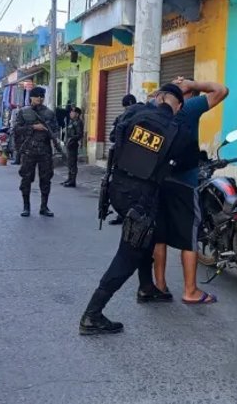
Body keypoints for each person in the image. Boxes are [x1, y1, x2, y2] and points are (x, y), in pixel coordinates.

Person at [79, 83, 199, 335]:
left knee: (148, 237)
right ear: (178, 107)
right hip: (142, 198)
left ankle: (147, 287)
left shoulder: (134, 112)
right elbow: (187, 162)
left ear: (159, 98)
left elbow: (115, 137)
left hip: (117, 189)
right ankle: (92, 314)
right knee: (129, 254)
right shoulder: (179, 130)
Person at [153, 77, 229, 304]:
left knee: (159, 236)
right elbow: (221, 90)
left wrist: (171, 87)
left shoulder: (154, 107)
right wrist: (191, 84)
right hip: (185, 182)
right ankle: (190, 290)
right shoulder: (190, 107)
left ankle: (160, 285)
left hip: (157, 181)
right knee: (189, 236)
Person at [15, 86, 61, 217]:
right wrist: (33, 127)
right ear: (31, 97)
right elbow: (16, 130)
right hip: (28, 150)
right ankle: (26, 207)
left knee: (46, 179)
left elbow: (56, 130)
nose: (39, 99)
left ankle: (44, 207)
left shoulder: (49, 113)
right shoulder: (23, 112)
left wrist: (53, 135)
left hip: (45, 151)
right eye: (37, 96)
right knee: (26, 179)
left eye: (42, 96)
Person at [106, 94, 139, 225]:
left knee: (121, 187)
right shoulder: (145, 117)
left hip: (123, 159)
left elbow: (112, 137)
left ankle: (123, 214)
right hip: (138, 161)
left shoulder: (122, 118)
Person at [62, 106, 84, 188]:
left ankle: (72, 181)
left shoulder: (78, 122)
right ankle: (69, 178)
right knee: (69, 163)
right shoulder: (72, 122)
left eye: (72, 112)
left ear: (77, 114)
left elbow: (79, 135)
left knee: (72, 163)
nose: (70, 113)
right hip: (69, 144)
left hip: (73, 145)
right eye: (70, 112)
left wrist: (71, 139)